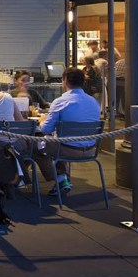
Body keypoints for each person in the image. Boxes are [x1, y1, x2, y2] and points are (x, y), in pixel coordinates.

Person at [34, 67, 101, 196]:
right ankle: (62, 179)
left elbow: (46, 129)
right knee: (58, 141)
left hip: (66, 149)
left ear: (65, 81)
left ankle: (60, 179)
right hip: (91, 150)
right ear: (83, 82)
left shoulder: (60, 102)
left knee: (34, 146)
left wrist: (42, 120)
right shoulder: (94, 102)